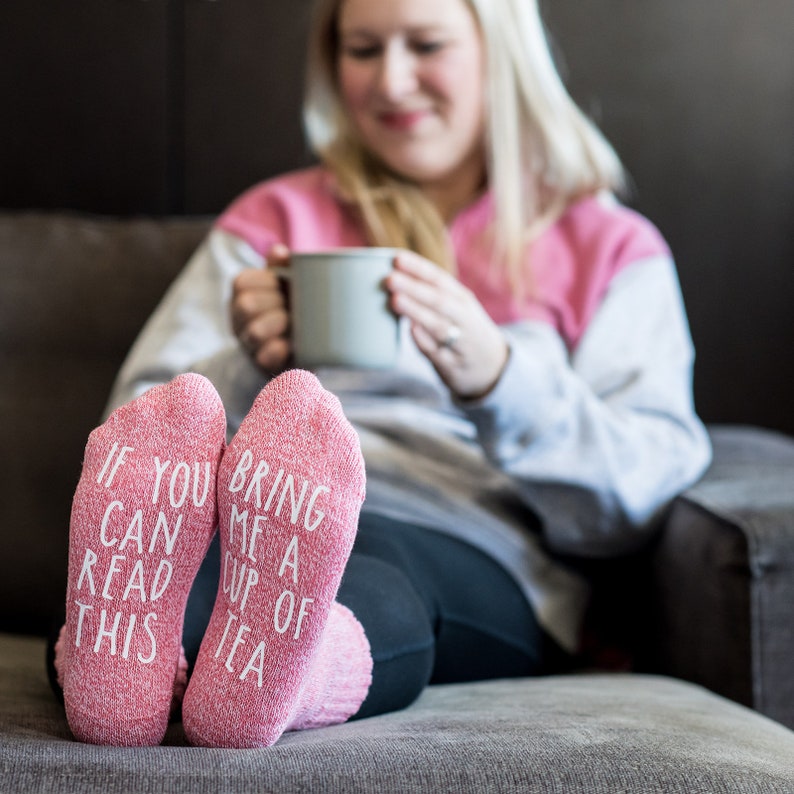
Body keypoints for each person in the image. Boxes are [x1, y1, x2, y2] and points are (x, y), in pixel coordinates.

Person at [50, 0, 712, 748]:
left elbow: (647, 488)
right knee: (146, 574)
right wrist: (246, 362)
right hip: (246, 521)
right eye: (363, 50)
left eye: (425, 45)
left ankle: (277, 675)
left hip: (458, 537)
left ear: (503, 54)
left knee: (381, 578)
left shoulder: (607, 246)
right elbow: (142, 437)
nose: (392, 82)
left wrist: (499, 377)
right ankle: (122, 677)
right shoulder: (273, 220)